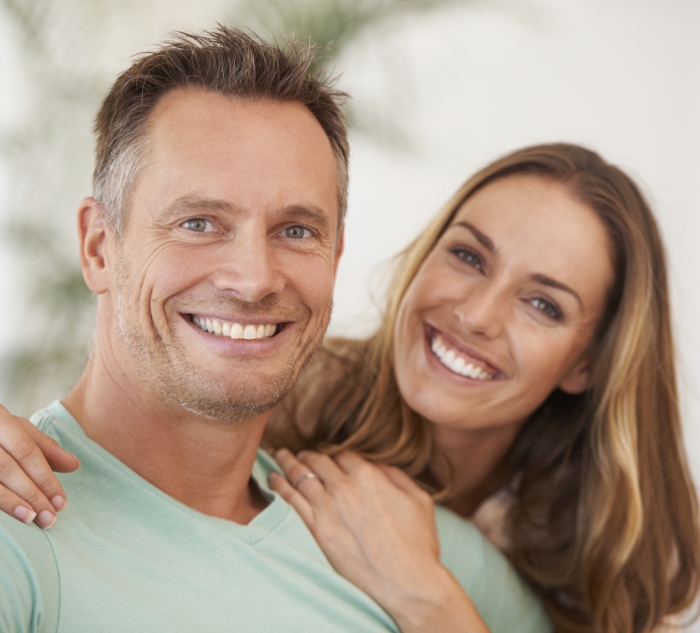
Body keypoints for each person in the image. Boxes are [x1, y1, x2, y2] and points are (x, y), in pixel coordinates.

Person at [4, 141, 698, 633]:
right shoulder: (278, 386)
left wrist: (427, 596)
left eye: (543, 304)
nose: (477, 314)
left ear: (589, 364)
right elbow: (125, 397)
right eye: (466, 255)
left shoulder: (600, 534)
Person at [0, 25, 550, 633]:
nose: (255, 279)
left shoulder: (417, 553)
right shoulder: (17, 531)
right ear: (99, 247)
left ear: (335, 259)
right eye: (199, 222)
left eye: (295, 231)